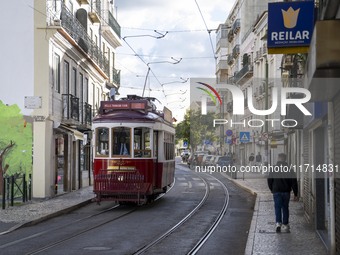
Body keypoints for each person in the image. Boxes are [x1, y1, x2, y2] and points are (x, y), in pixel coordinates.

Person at [267, 153, 298, 233]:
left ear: (278, 158)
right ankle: (285, 224)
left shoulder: (273, 168)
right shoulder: (289, 169)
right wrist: (296, 193)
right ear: (285, 159)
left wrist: (272, 189)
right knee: (285, 207)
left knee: (277, 207)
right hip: (286, 192)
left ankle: (278, 223)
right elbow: (294, 182)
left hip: (276, 191)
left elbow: (269, 180)